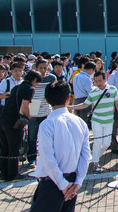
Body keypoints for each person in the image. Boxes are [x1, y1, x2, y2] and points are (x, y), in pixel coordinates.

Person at [30, 81, 91, 212]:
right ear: (68, 98)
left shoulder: (47, 124)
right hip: (72, 181)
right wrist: (78, 181)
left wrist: (63, 185)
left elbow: (47, 158)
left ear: (47, 100)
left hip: (51, 182)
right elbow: (85, 155)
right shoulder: (80, 122)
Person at [68, 71, 118, 173]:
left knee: (106, 143)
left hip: (109, 120)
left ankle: (94, 157)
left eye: (100, 81)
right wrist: (72, 107)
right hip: (96, 120)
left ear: (105, 79)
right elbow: (85, 104)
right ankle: (96, 163)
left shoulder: (112, 89)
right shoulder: (93, 92)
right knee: (97, 142)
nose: (98, 83)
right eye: (96, 81)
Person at [0, 69, 43, 182]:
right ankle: (13, 174)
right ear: (34, 80)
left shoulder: (17, 87)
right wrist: (29, 116)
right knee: (14, 148)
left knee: (4, 148)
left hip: (2, 119)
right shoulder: (30, 88)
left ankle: (3, 174)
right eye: (37, 83)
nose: (37, 86)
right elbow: (25, 104)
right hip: (14, 122)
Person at [28, 59, 57, 166]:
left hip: (47, 107)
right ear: (36, 67)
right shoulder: (31, 78)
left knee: (49, 135)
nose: (44, 70)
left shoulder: (51, 78)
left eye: (45, 68)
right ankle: (31, 158)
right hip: (34, 107)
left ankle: (49, 157)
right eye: (41, 68)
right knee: (32, 136)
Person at [72, 61, 94, 125]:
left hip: (76, 100)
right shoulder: (87, 78)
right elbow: (90, 92)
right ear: (90, 70)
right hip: (85, 101)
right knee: (84, 122)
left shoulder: (76, 76)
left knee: (77, 121)